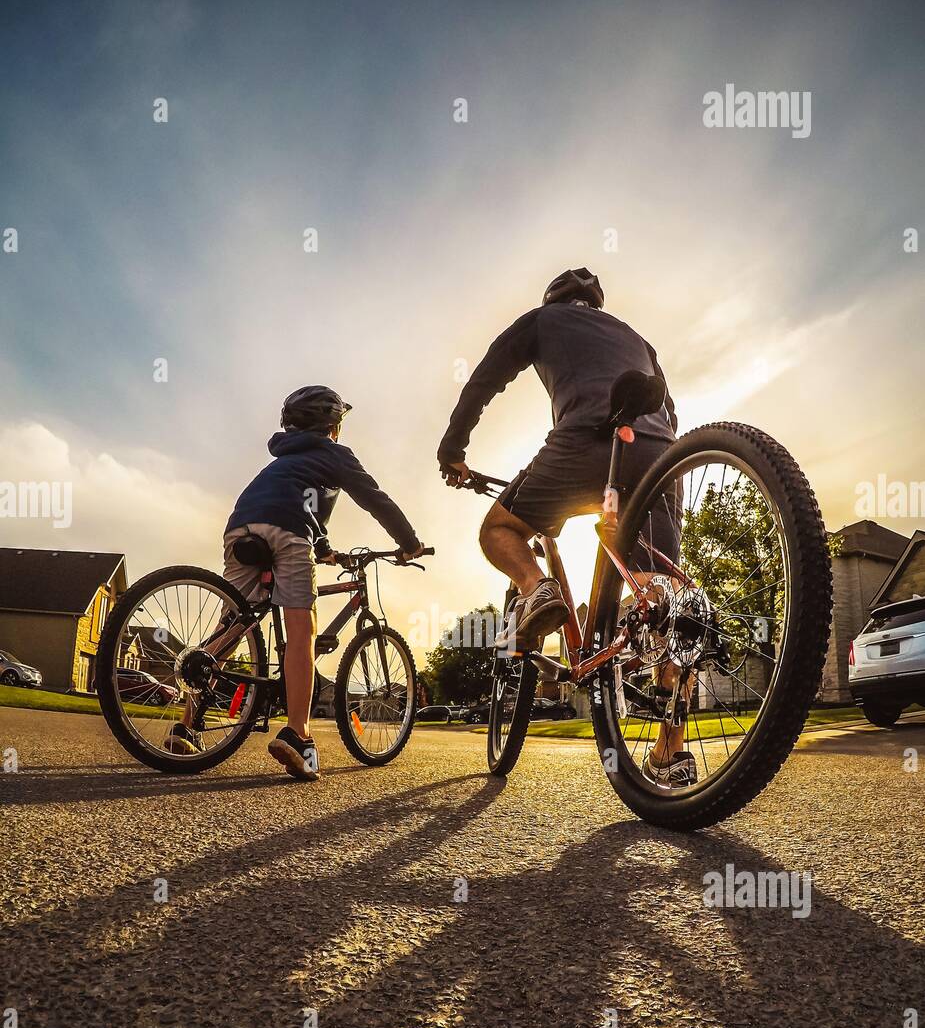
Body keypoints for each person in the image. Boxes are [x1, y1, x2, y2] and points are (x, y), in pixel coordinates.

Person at [436, 268, 696, 787]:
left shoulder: (542, 320)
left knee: (498, 530)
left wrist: (454, 449)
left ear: (554, 299)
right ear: (597, 303)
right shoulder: (637, 337)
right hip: (659, 454)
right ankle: (671, 753)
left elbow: (484, 380)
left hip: (585, 439)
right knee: (668, 599)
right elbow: (668, 404)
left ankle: (538, 590)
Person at [166, 386, 424, 781]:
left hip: (241, 527)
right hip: (288, 533)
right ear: (332, 425)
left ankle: (186, 726)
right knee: (302, 628)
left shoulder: (284, 461)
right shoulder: (335, 454)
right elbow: (375, 499)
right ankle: (298, 735)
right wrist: (409, 543)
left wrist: (323, 548)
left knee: (234, 625)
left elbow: (303, 505)